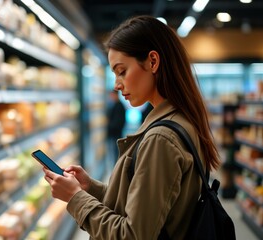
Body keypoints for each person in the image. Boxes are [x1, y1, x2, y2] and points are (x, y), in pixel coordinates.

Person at [42, 15, 220, 239]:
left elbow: (133, 235)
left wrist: (75, 198)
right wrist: (89, 188)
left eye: (122, 71)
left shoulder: (161, 138)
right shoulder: (181, 120)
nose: (117, 84)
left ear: (153, 62)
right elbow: (147, 207)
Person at [106, 90, 126, 166]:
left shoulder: (119, 106)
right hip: (115, 133)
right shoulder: (115, 105)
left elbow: (119, 122)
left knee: (116, 153)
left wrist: (109, 124)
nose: (111, 97)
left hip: (116, 134)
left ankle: (116, 169)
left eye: (112, 95)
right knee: (114, 153)